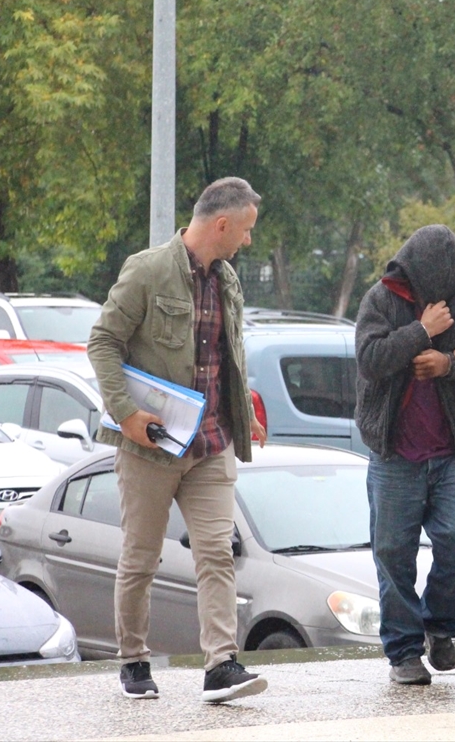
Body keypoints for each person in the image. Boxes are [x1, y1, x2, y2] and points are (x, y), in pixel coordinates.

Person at [87, 177, 269, 702]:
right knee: (141, 558)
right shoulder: (147, 270)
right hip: (151, 444)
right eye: (246, 230)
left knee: (216, 552)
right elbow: (102, 342)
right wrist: (125, 414)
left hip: (212, 444)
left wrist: (244, 410)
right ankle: (134, 662)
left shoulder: (227, 280)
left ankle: (221, 666)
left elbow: (224, 355)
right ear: (221, 224)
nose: (248, 241)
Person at [354, 225, 455, 686]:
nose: (448, 291)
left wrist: (451, 365)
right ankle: (404, 651)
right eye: (437, 283)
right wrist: (421, 331)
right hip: (394, 456)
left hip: (450, 455)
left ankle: (440, 628)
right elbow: (370, 360)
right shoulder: (380, 300)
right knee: (392, 554)